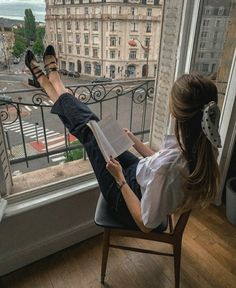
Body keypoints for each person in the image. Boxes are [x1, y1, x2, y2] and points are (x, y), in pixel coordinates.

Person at [25, 45, 221, 233]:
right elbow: (161, 162)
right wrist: (134, 140)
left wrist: (119, 178)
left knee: (89, 131)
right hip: (140, 174)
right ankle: (49, 81)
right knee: (95, 127)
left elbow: (146, 224)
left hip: (124, 193)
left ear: (177, 113)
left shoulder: (169, 168)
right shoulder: (201, 142)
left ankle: (51, 80)